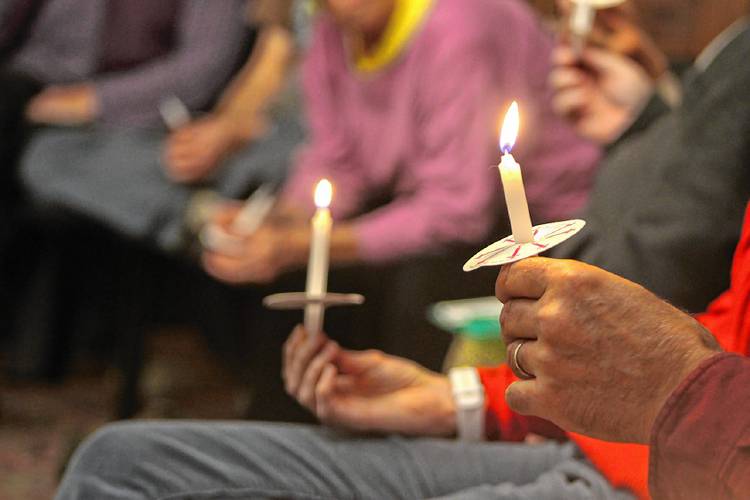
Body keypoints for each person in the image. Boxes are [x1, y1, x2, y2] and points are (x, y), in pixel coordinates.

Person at [200, 0, 601, 285]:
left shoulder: (460, 26)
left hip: (547, 226)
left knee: (402, 288)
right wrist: (277, 221)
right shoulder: (333, 26)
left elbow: (458, 211)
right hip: (436, 205)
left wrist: (299, 247)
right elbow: (338, 159)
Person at [17, 0, 304, 253]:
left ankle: (208, 218)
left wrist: (96, 101)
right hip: (93, 122)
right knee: (47, 157)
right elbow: (264, 71)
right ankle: (200, 217)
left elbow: (202, 69)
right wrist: (223, 129)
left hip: (263, 134)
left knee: (289, 155)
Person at [549, 0, 750, 312]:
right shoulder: (725, 55)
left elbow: (673, 260)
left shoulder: (741, 62)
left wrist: (562, 272)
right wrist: (639, 120)